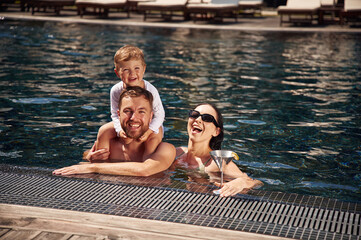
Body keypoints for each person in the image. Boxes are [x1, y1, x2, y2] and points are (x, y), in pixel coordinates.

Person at [53, 86, 175, 177]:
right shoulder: (109, 144)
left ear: (150, 116)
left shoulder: (166, 150)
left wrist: (93, 167)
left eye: (141, 111)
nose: (133, 118)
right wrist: (88, 159)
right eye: (127, 111)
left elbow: (145, 170)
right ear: (118, 114)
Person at [174, 103, 262, 197]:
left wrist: (240, 183)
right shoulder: (176, 153)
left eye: (207, 118)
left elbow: (256, 182)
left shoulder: (218, 163)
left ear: (216, 131)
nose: (198, 119)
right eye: (194, 115)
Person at [95, 45, 165, 161]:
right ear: (117, 73)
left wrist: (149, 132)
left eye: (137, 68)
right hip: (126, 122)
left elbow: (160, 115)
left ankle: (147, 161)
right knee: (104, 130)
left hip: (150, 124)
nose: (132, 74)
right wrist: (119, 130)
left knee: (154, 137)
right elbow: (114, 113)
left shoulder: (151, 90)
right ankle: (100, 159)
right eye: (126, 70)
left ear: (144, 69)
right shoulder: (115, 90)